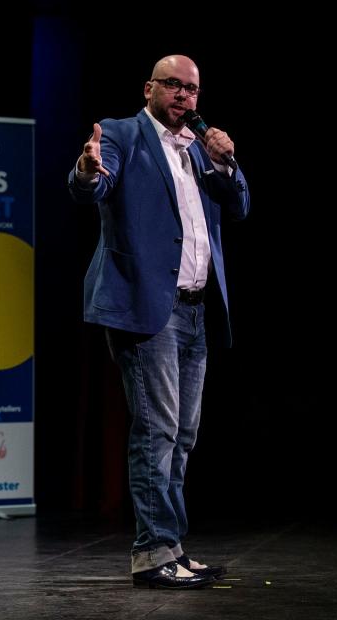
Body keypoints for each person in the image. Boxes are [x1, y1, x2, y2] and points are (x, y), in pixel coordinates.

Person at [68, 54, 250, 589]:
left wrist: (227, 164)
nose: (184, 96)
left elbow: (239, 207)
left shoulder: (199, 147)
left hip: (196, 310)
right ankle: (152, 553)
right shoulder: (124, 134)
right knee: (157, 430)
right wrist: (86, 169)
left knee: (184, 434)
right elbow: (91, 187)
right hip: (148, 309)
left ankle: (171, 546)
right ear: (150, 87)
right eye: (173, 85)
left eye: (192, 89)